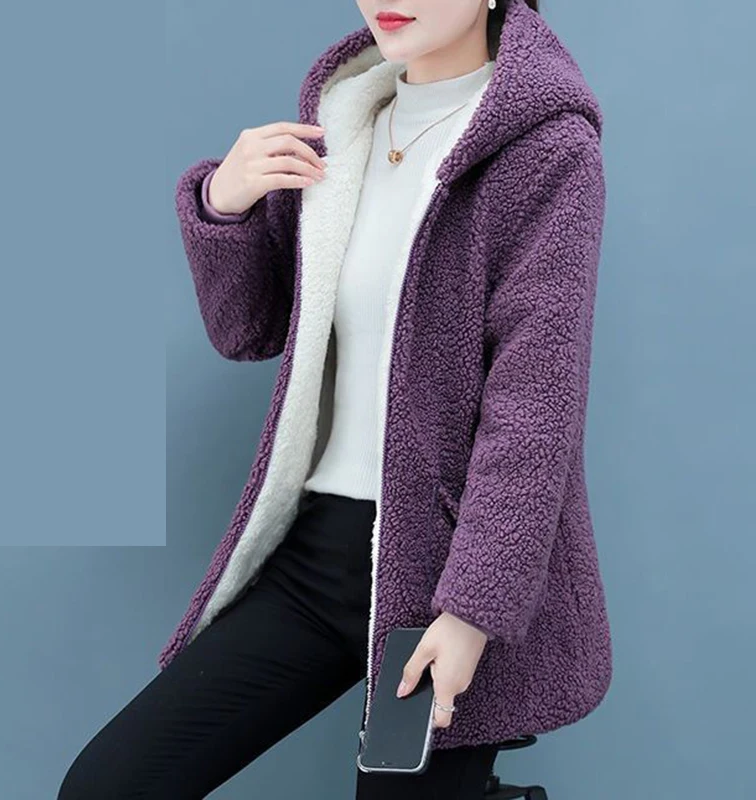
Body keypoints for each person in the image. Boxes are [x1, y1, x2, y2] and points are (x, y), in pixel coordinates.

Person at [58, 0, 612, 797]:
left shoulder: (547, 149)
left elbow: (536, 404)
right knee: (110, 786)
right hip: (318, 556)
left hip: (450, 569)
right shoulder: (345, 123)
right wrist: (225, 205)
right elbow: (249, 330)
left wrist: (473, 610)